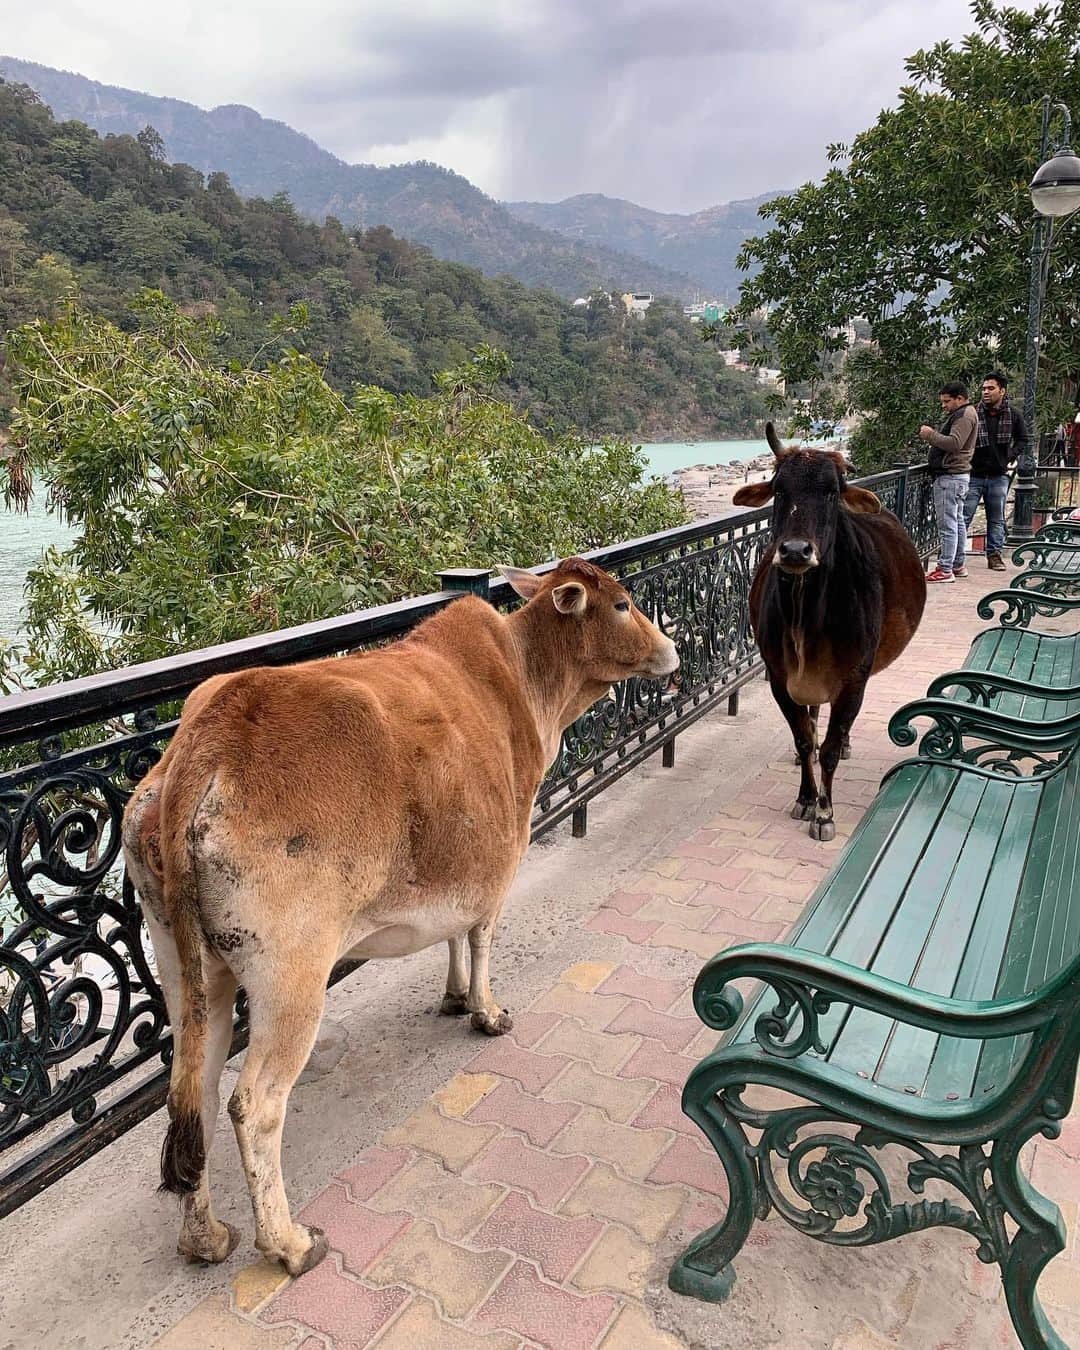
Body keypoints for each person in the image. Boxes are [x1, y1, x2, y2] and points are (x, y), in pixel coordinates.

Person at [960, 372, 1028, 572]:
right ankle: (957, 557)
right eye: (984, 388)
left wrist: (1009, 456)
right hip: (973, 474)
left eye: (991, 388)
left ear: (1002, 391)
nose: (986, 392)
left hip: (998, 476)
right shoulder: (972, 413)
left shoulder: (1013, 415)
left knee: (996, 518)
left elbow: (1023, 439)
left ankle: (994, 555)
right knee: (964, 516)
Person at [919, 381, 977, 582]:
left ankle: (945, 568)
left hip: (950, 476)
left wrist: (930, 435)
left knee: (948, 524)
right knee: (957, 521)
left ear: (959, 398)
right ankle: (957, 564)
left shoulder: (964, 415)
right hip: (956, 476)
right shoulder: (966, 414)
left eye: (946, 401)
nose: (943, 405)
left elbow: (955, 443)